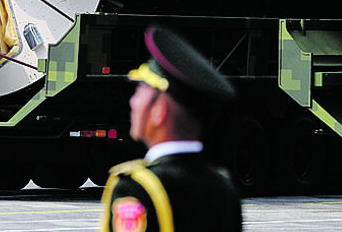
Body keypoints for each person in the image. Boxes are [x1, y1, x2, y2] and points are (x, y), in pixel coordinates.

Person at [99, 27, 241, 232]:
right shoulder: (224, 187)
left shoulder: (137, 188)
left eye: (140, 90)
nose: (132, 102)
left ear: (159, 111)